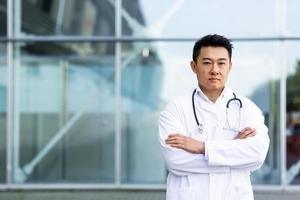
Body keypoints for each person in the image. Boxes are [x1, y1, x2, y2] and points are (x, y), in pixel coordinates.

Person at [158, 34, 270, 200]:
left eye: (221, 63)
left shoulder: (247, 108)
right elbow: (175, 161)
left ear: (230, 66)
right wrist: (233, 152)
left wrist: (203, 147)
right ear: (194, 66)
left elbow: (257, 154)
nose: (215, 70)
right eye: (207, 63)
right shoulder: (175, 109)